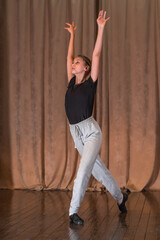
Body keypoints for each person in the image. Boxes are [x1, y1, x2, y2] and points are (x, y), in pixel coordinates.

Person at [64, 10, 128, 225]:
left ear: (87, 68)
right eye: (73, 63)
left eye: (78, 62)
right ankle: (120, 197)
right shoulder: (71, 82)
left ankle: (73, 212)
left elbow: (97, 54)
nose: (73, 64)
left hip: (91, 132)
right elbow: (67, 57)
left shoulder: (90, 83)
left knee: (83, 170)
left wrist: (100, 29)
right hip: (76, 133)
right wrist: (72, 35)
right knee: (99, 171)